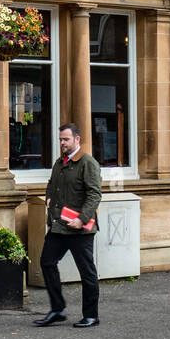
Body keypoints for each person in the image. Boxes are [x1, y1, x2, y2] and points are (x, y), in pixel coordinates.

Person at [34, 122, 102, 328]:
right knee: (47, 262)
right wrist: (47, 198)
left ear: (77, 140)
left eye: (66, 139)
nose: (62, 143)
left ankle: (91, 315)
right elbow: (51, 185)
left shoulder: (87, 163)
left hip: (80, 229)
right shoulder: (59, 163)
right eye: (61, 139)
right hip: (59, 226)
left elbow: (94, 194)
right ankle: (57, 310)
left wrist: (81, 218)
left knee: (87, 272)